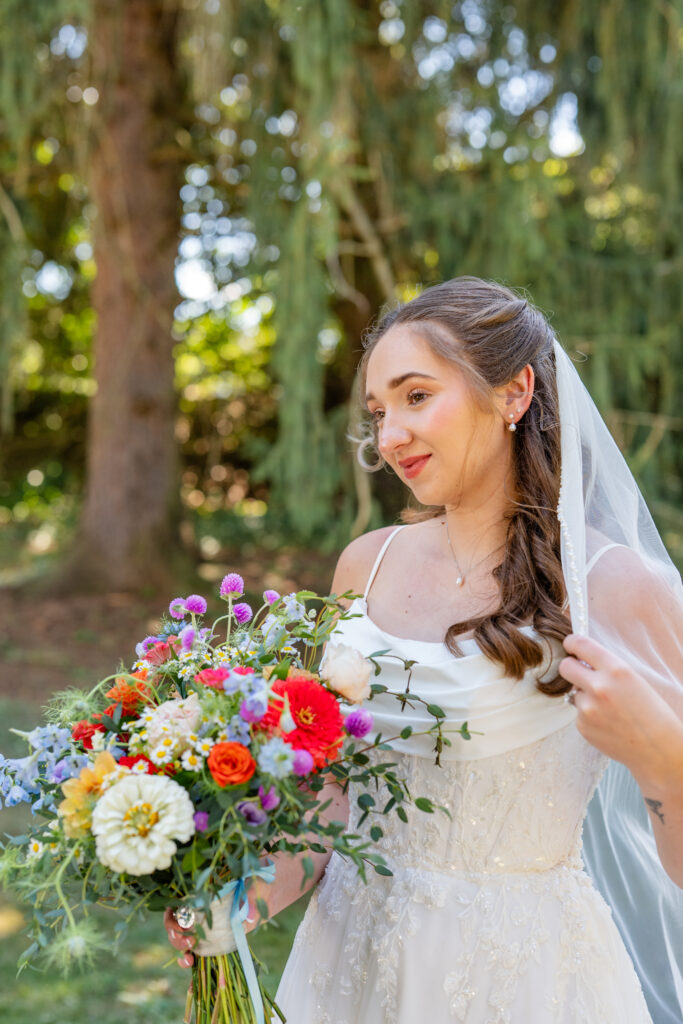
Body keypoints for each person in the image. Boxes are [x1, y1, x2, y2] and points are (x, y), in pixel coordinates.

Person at [166, 277, 683, 1022]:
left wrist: (663, 753)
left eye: (415, 397)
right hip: (348, 962)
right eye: (378, 412)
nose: (389, 436)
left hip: (523, 977)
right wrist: (241, 899)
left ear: (512, 393)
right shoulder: (363, 565)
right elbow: (336, 798)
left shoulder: (617, 588)